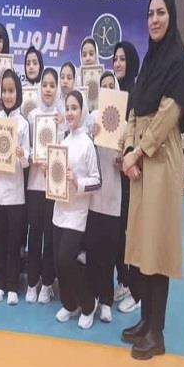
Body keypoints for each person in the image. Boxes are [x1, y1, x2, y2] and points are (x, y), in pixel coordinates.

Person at [120, 0, 184, 360]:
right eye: (150, 14)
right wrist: (127, 149)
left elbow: (169, 114)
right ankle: (146, 319)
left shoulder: (178, 59)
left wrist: (138, 151)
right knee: (141, 243)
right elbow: (136, 108)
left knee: (157, 245)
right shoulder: (149, 59)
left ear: (171, 16)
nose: (154, 20)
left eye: (161, 12)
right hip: (141, 159)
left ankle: (157, 333)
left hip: (161, 159)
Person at [53, 90, 101, 330]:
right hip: (59, 211)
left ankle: (88, 304)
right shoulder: (63, 142)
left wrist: (76, 182)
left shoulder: (88, 145)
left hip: (77, 213)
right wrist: (50, 173)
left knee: (66, 260)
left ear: (82, 112)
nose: (70, 113)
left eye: (74, 108)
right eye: (68, 108)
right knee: (58, 262)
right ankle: (70, 304)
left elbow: (97, 181)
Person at [0, 69, 30, 305]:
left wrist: (22, 155)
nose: (8, 95)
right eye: (4, 90)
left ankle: (12, 285)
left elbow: (27, 162)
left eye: (11, 90)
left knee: (14, 242)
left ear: (18, 92)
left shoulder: (23, 124)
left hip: (16, 193)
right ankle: (0, 282)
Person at [84, 72, 122, 323]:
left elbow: (127, 161)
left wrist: (122, 158)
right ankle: (93, 298)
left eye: (111, 85)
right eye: (104, 86)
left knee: (108, 252)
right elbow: (84, 153)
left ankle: (107, 299)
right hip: (94, 196)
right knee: (93, 251)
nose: (108, 89)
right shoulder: (92, 118)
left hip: (113, 196)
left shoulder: (124, 122)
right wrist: (92, 136)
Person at [25, 68, 63, 304]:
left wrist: (63, 127)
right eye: (45, 85)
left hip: (54, 186)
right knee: (35, 233)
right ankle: (32, 282)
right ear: (40, 88)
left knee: (50, 235)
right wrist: (33, 157)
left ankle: (47, 284)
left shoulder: (62, 117)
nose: (48, 89)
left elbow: (66, 148)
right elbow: (26, 147)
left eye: (52, 85)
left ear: (57, 88)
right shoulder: (32, 116)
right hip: (34, 184)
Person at [112, 41, 142, 313]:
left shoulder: (137, 93)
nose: (118, 63)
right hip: (113, 174)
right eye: (115, 59)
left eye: (122, 59)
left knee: (131, 231)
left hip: (130, 174)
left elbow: (135, 134)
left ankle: (135, 288)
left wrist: (128, 155)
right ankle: (123, 280)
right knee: (117, 230)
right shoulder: (112, 94)